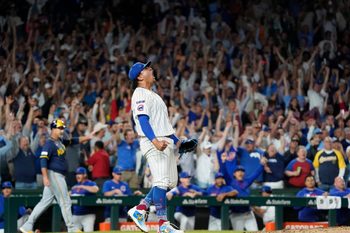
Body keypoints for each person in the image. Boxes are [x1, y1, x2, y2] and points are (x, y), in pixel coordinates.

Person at [126, 61, 197, 233]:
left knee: (170, 183)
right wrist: (154, 140)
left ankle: (141, 208)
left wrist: (178, 142)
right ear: (140, 76)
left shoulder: (154, 95)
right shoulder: (140, 93)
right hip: (153, 141)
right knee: (161, 181)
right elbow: (143, 120)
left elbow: (164, 126)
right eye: (147, 68)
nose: (151, 69)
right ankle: (162, 224)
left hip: (166, 140)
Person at [20, 119, 91, 233]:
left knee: (44, 202)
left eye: (62, 128)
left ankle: (27, 225)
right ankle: (71, 228)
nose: (61, 130)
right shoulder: (49, 143)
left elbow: (73, 140)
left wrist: (87, 137)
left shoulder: (60, 141)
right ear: (53, 129)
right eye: (59, 128)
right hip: (54, 174)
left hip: (57, 175)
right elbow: (43, 160)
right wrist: (45, 177)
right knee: (65, 201)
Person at [229, 159, 267, 231]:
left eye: (242, 171)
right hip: (236, 214)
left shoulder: (246, 181)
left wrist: (262, 164)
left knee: (254, 231)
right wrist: (223, 162)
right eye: (238, 171)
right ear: (234, 174)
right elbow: (224, 171)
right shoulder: (231, 183)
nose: (240, 172)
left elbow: (256, 174)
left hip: (248, 213)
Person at [70, 167, 99, 232]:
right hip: (76, 215)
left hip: (88, 215)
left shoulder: (90, 183)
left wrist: (82, 186)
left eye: (80, 174)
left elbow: (96, 189)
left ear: (85, 175)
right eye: (76, 174)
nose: (77, 176)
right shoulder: (75, 186)